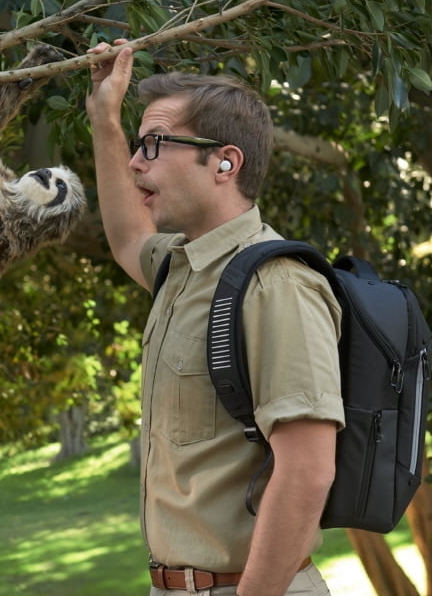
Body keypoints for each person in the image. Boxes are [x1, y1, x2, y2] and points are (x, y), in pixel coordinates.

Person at [85, 39, 346, 596]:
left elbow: (306, 470)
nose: (136, 161)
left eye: (154, 144)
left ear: (226, 162)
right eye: (136, 145)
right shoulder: (183, 267)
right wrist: (105, 116)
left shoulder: (277, 286)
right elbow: (130, 235)